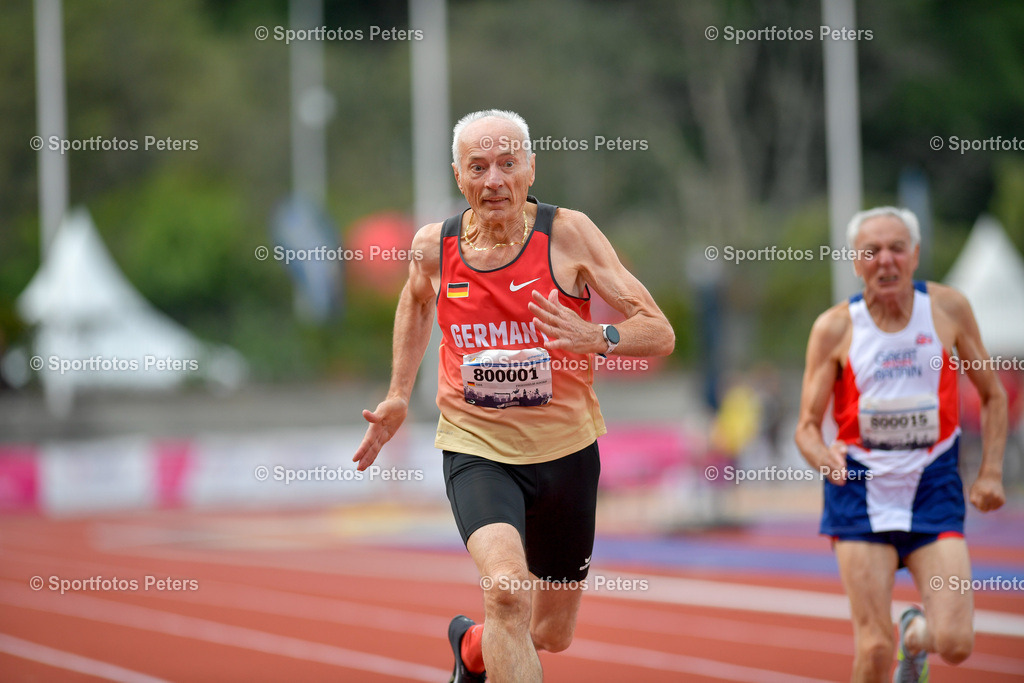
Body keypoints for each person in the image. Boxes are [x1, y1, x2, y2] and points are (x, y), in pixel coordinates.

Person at [352, 109, 675, 682]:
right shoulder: (435, 246)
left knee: (550, 632)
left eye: (507, 163)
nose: (494, 179)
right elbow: (417, 300)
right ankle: (491, 634)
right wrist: (399, 392)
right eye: (478, 167)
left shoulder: (568, 234)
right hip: (478, 448)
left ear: (531, 168)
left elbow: (659, 331)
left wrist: (598, 337)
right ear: (459, 175)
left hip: (566, 453)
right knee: (505, 592)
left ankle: (471, 649)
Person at [795, 207, 1007, 682]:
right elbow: (805, 427)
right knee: (873, 647)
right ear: (855, 261)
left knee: (955, 641)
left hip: (933, 489)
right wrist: (824, 457)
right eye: (872, 251)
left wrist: (991, 472)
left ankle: (914, 635)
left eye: (896, 248)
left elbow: (993, 395)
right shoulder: (834, 327)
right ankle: (893, 644)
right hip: (859, 493)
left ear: (915, 255)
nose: (885, 260)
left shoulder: (948, 309)